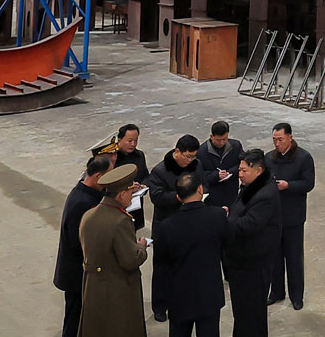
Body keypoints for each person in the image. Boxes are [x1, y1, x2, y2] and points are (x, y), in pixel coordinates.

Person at [78, 162, 148, 337]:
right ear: (122, 193)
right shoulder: (120, 221)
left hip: (93, 288)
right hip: (117, 290)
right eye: (130, 193)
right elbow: (130, 260)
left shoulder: (89, 214)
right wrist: (142, 246)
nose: (131, 198)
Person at [154, 172, 227, 337]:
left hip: (179, 296)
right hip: (209, 293)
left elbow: (161, 267)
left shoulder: (166, 227)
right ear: (200, 189)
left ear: (179, 197)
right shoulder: (218, 216)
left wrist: (161, 301)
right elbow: (228, 245)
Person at [145, 136, 202, 322]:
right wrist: (180, 197)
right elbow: (157, 197)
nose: (191, 160)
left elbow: (202, 184)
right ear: (177, 151)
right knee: (163, 269)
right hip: (166, 225)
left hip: (190, 223)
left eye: (194, 156)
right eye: (187, 156)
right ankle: (160, 306)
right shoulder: (160, 171)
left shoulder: (196, 164)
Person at [223, 149, 279, 337]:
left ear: (259, 170)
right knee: (244, 312)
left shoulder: (265, 195)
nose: (240, 175)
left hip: (253, 263)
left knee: (250, 311)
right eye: (239, 170)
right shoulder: (252, 186)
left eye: (244, 171)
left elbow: (249, 224)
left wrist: (224, 221)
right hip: (242, 260)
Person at [55, 155, 111, 337]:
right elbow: (78, 242)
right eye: (108, 176)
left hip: (81, 272)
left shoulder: (87, 194)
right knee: (75, 319)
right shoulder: (82, 203)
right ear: (97, 177)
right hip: (77, 275)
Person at [264, 123, 314, 311]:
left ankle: (296, 296)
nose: (277, 143)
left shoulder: (303, 158)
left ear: (290, 138)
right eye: (274, 140)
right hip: (274, 217)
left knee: (294, 258)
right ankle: (276, 292)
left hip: (293, 216)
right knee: (274, 258)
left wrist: (288, 186)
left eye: (280, 140)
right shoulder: (269, 158)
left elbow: (308, 183)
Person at [92, 125, 147, 229]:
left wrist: (143, 186)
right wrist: (129, 188)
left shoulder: (139, 156)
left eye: (136, 140)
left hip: (135, 207)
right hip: (116, 210)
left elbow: (145, 175)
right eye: (129, 140)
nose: (133, 144)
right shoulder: (109, 164)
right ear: (120, 140)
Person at [194, 122, 241, 204]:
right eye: (218, 140)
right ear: (211, 136)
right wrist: (216, 175)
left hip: (232, 192)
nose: (222, 142)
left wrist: (230, 172)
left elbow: (241, 165)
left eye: (225, 139)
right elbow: (198, 176)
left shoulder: (236, 146)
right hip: (212, 195)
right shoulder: (201, 152)